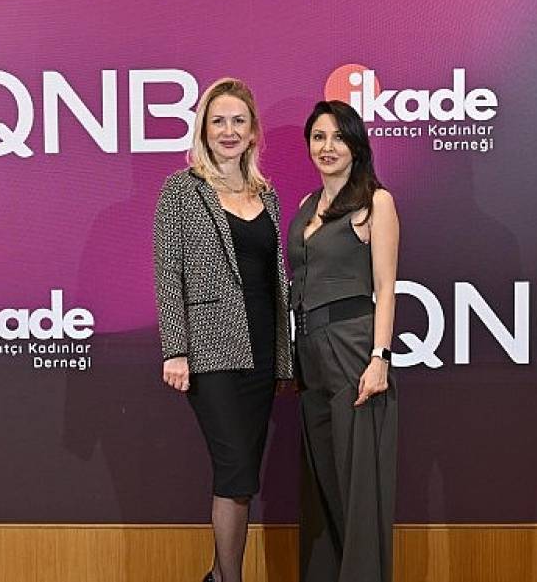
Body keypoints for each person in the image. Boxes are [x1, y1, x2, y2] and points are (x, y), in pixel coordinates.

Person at [153, 78, 292, 582]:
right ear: (204, 130)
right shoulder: (180, 190)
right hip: (210, 353)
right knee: (234, 470)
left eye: (238, 121)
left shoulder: (267, 196)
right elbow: (168, 272)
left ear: (253, 131)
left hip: (261, 351)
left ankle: (217, 576)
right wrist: (175, 349)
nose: (228, 131)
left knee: (243, 476)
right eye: (218, 121)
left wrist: (283, 359)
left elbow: (274, 278)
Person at [287, 100, 400, 582]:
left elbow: (386, 286)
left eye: (338, 137)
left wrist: (380, 358)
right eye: (318, 137)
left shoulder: (376, 202)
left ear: (356, 144)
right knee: (324, 483)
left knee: (358, 488)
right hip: (309, 355)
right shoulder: (304, 206)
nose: (327, 146)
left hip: (353, 349)